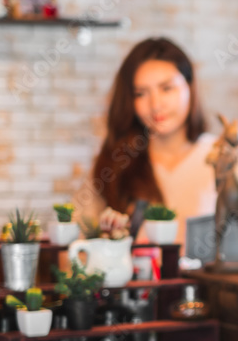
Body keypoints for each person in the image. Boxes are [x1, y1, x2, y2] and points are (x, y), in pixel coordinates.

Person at [77, 37, 218, 251]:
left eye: (167, 88)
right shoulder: (115, 161)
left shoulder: (221, 157)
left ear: (190, 86)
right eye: (141, 93)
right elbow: (76, 247)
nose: (156, 105)